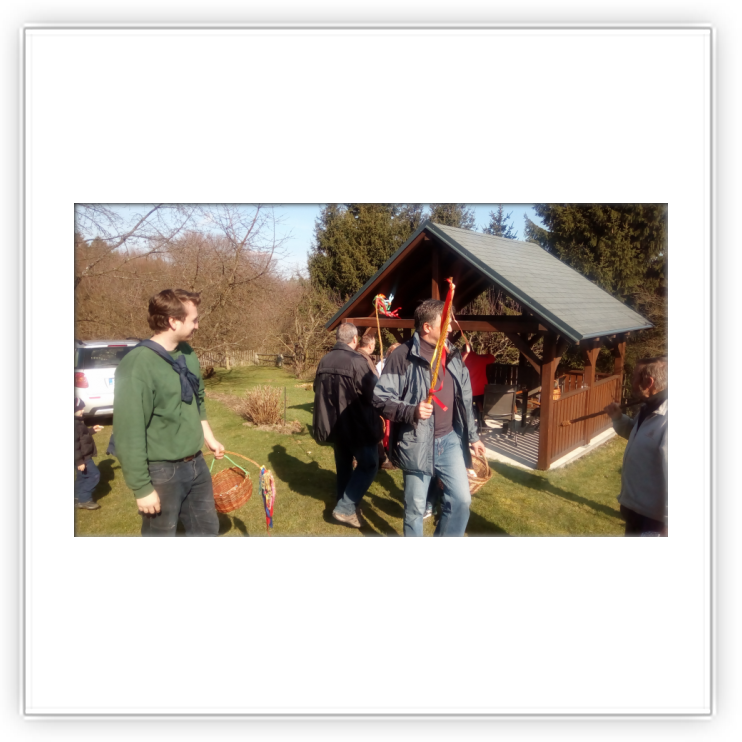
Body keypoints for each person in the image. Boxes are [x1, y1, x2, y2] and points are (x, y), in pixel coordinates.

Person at [113, 289, 225, 537]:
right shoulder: (137, 365)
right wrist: (142, 488)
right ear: (174, 321)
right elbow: (128, 432)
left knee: (207, 530)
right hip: (161, 471)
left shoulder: (188, 353)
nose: (197, 325)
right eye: (194, 320)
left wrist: (209, 437)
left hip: (196, 464)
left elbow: (197, 400)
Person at [373, 299, 486, 537]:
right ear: (427, 327)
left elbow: (465, 399)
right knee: (415, 510)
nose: (451, 328)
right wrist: (411, 411)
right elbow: (380, 399)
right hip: (416, 443)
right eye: (445, 323)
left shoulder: (452, 354)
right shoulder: (402, 356)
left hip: (450, 441)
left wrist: (473, 437)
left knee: (461, 501)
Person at [313, 323, 384, 528]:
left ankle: (343, 503)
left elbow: (317, 388)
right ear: (354, 340)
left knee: (344, 465)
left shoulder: (325, 360)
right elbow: (374, 393)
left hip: (334, 425)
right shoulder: (357, 362)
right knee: (369, 464)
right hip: (357, 425)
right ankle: (345, 508)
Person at [603, 356, 668, 536]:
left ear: (648, 382)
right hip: (637, 513)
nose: (631, 382)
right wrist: (618, 418)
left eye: (634, 377)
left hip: (654, 523)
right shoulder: (649, 407)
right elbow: (639, 437)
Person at [74, 397, 104, 510]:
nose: (82, 410)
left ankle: (76, 497)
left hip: (81, 457)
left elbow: (81, 436)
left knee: (82, 476)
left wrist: (91, 430)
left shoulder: (77, 422)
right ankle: (84, 499)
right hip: (82, 457)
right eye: (80, 409)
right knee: (94, 475)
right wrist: (79, 461)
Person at [461, 342, 496, 432]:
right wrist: (483, 355)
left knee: (465, 407)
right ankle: (482, 424)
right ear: (472, 349)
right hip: (480, 390)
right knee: (480, 407)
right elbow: (492, 358)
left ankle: (467, 425)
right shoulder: (480, 359)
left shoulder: (459, 359)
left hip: (465, 390)